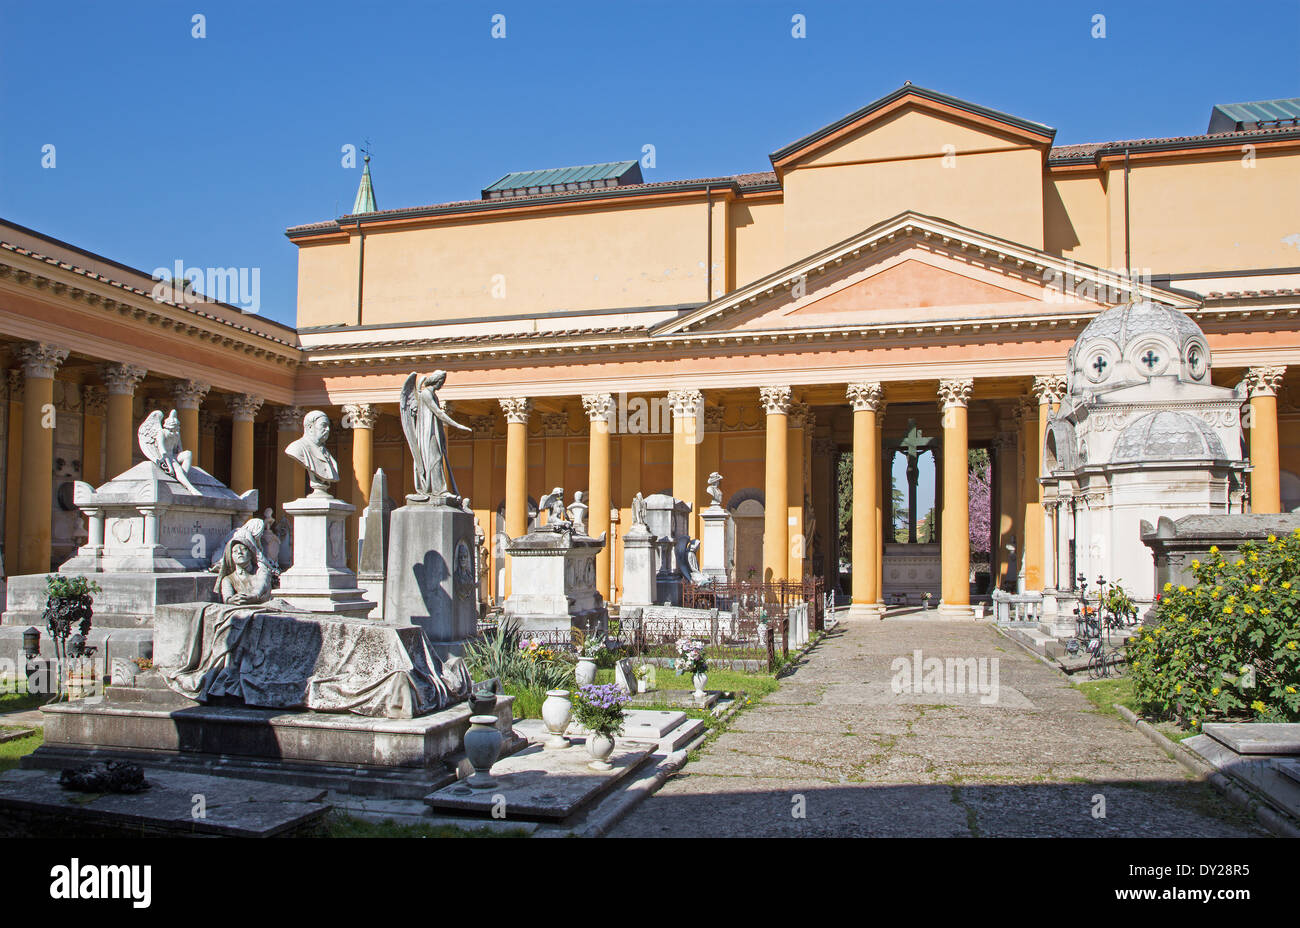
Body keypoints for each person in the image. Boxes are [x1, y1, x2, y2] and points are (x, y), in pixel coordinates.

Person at [213, 527, 273, 605]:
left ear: (251, 554)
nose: (239, 552)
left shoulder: (261, 571)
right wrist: (231, 600)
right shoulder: (228, 579)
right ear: (231, 557)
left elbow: (260, 589)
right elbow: (227, 598)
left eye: (243, 549)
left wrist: (252, 597)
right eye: (235, 551)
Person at [285, 410, 339, 494]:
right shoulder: (297, 448)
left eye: (328, 426)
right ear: (310, 427)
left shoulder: (327, 453)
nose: (328, 429)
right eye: (324, 425)